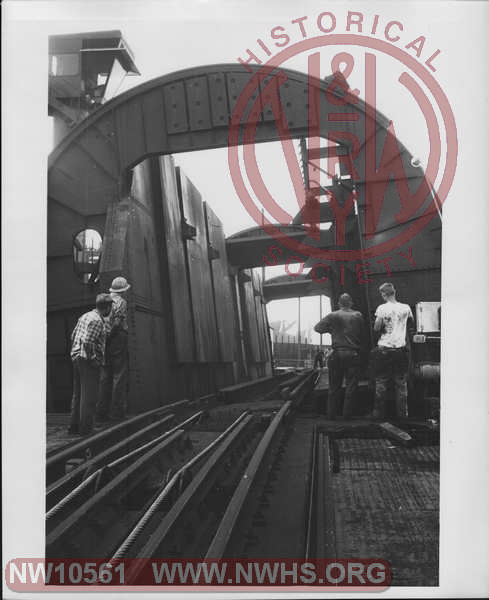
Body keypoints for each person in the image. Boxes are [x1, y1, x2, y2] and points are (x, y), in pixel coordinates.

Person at [314, 293, 366, 418]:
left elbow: (317, 328)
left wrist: (332, 330)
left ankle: (331, 414)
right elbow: (363, 334)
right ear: (351, 303)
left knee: (334, 387)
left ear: (339, 304)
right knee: (351, 387)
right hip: (353, 354)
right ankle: (347, 415)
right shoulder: (358, 315)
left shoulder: (333, 315)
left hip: (336, 354)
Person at [69, 294, 113, 435]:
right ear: (106, 307)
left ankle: (74, 427)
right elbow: (88, 342)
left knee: (78, 394)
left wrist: (76, 352)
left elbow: (73, 335)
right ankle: (86, 429)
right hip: (87, 361)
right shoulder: (97, 321)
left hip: (77, 357)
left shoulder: (85, 316)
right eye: (110, 307)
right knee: (90, 397)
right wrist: (93, 358)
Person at [371, 282, 414, 419]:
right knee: (401, 384)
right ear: (394, 292)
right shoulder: (406, 308)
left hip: (384, 349)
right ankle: (403, 416)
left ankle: (378, 415)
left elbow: (377, 328)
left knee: (381, 382)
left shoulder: (382, 308)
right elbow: (411, 323)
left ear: (384, 294)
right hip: (400, 351)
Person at [97, 276, 131, 421]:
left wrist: (105, 339)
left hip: (105, 339)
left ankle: (101, 412)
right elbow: (117, 323)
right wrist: (111, 337)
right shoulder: (121, 302)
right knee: (119, 375)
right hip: (117, 339)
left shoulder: (104, 301)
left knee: (105, 376)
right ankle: (117, 413)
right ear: (123, 290)